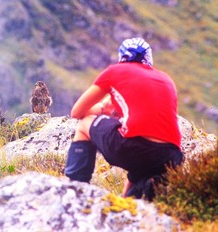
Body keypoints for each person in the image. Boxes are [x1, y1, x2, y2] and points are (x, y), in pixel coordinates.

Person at [64, 37, 183, 201]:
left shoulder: (115, 71)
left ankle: (76, 190)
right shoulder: (166, 80)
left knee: (85, 123)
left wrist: (102, 109)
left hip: (132, 149)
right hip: (171, 157)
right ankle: (132, 199)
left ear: (122, 57)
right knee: (136, 190)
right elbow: (149, 137)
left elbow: (77, 112)